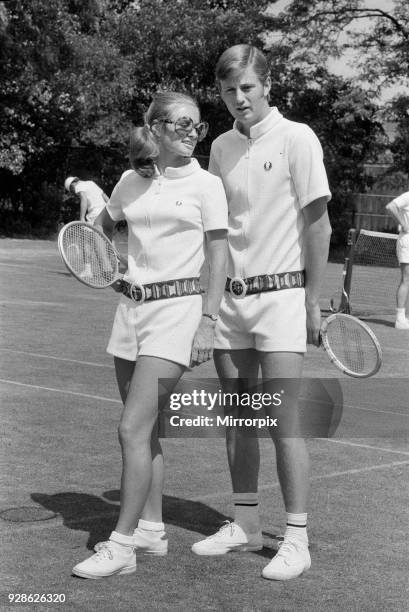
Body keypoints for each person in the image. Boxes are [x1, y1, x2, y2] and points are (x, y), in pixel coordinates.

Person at [72, 91, 228, 579]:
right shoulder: (128, 182)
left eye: (196, 126)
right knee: (147, 432)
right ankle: (152, 531)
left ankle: (120, 547)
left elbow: (219, 257)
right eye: (181, 124)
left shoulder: (207, 186)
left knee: (130, 428)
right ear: (156, 127)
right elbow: (97, 232)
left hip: (178, 314)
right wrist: (106, 270)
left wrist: (208, 319)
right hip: (130, 313)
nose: (190, 133)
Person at [191, 44, 332, 581]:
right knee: (238, 419)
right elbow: (216, 235)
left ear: (268, 84)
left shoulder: (298, 138)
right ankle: (245, 523)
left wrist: (311, 301)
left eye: (247, 87)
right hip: (229, 302)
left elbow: (318, 226)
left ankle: (296, 538)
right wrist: (206, 305)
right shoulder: (222, 146)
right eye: (229, 90)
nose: (238, 98)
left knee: (282, 421)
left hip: (281, 301)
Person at [386, 191, 409, 330]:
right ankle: (400, 320)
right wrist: (403, 224)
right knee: (406, 279)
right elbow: (390, 207)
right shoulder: (408, 196)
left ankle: (404, 317)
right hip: (407, 241)